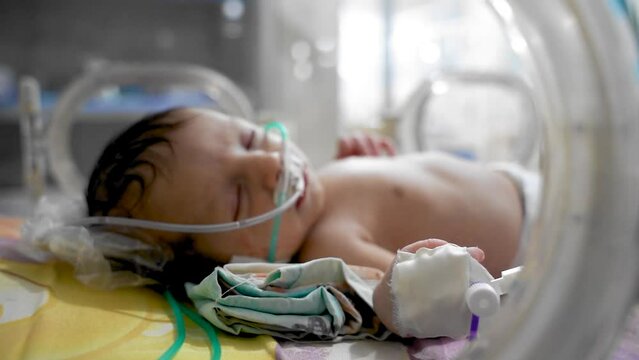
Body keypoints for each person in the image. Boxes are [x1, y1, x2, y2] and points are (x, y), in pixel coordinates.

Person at [86, 107, 524, 334]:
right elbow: (415, 294)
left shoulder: (318, 200)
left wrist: (354, 170)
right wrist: (410, 282)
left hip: (517, 179)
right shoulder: (330, 245)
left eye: (249, 138)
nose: (269, 164)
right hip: (538, 233)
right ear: (238, 261)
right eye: (239, 196)